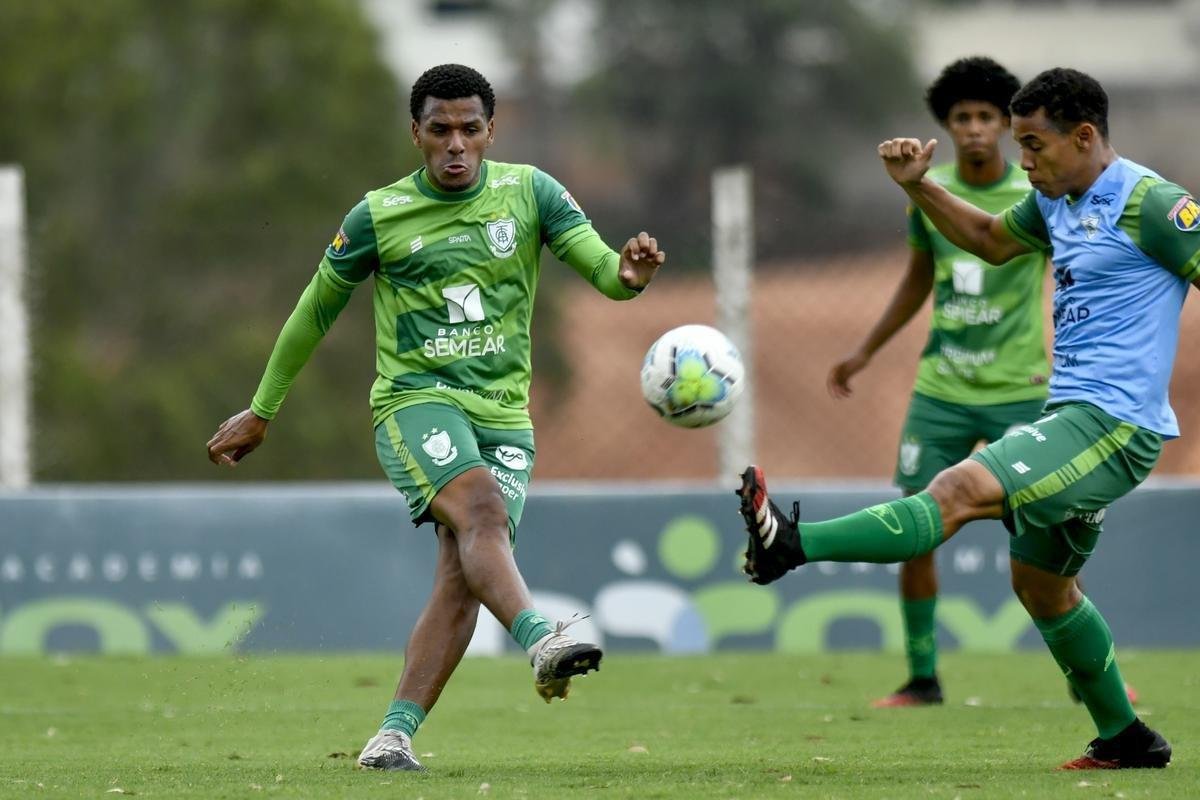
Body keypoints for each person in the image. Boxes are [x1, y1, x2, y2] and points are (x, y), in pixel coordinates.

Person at [206, 63, 665, 772]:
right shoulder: (378, 216)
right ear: (416, 133)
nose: (456, 145)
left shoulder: (531, 192)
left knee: (464, 571)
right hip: (415, 402)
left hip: (505, 419)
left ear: (491, 131)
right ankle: (543, 638)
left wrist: (629, 277)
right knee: (480, 514)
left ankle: (390, 735)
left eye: (470, 130)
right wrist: (263, 410)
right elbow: (314, 312)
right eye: (441, 130)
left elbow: (604, 270)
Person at [740, 67, 1195, 770]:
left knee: (956, 490)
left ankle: (791, 544)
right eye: (1019, 146)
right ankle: (1126, 739)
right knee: (1041, 586)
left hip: (1113, 424)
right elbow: (985, 237)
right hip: (1074, 414)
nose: (1023, 161)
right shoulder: (1055, 202)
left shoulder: (1154, 204)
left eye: (1035, 145)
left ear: (1083, 136)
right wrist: (918, 186)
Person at [827, 57, 1049, 709]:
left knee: (1043, 538)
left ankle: (1083, 672)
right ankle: (923, 677)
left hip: (1019, 390)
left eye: (986, 117)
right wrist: (865, 351)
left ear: (1008, 125)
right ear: (946, 126)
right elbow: (918, 279)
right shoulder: (928, 189)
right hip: (943, 391)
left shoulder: (1036, 199)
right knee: (918, 525)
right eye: (962, 118)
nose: (975, 129)